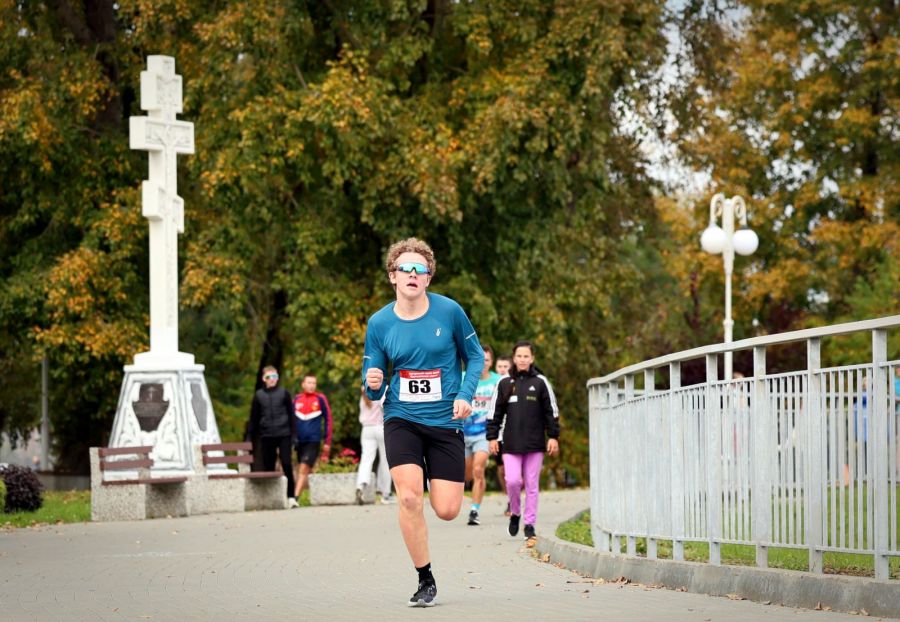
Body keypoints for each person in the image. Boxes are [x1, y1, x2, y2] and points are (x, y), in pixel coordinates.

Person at [362, 237, 485, 607]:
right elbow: (372, 381)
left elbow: (475, 357)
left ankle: (437, 480)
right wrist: (372, 381)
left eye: (421, 269)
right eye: (406, 268)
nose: (413, 274)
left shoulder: (449, 312)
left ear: (428, 278)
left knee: (447, 510)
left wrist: (465, 394)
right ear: (393, 276)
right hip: (402, 418)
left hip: (445, 420)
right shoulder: (379, 323)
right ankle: (425, 578)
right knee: (409, 497)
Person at [487, 341, 559, 540]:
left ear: (532, 358)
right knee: (512, 481)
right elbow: (494, 413)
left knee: (531, 484)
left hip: (535, 444)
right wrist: (492, 437)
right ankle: (515, 513)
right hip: (511, 443)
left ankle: (529, 524)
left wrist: (553, 436)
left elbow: (551, 412)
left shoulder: (541, 382)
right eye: (519, 356)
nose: (522, 359)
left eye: (526, 356)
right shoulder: (504, 383)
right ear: (514, 358)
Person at [248, 366, 298, 507]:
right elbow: (254, 418)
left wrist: (294, 435)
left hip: (284, 434)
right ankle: (272, 498)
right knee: (269, 466)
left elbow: (291, 415)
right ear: (264, 379)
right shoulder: (259, 395)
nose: (272, 379)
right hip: (267, 435)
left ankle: (291, 497)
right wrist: (249, 437)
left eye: (275, 376)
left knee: (286, 463)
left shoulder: (284, 393)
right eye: (269, 377)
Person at [462, 345, 501, 526]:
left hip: (484, 434)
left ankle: (474, 510)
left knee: (478, 469)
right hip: (462, 433)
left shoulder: (497, 381)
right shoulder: (463, 377)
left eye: (486, 360)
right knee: (466, 474)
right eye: (479, 360)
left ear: (491, 362)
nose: (483, 363)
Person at [293, 373, 333, 498]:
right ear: (303, 384)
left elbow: (328, 420)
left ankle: (294, 497)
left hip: (313, 441)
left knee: (303, 468)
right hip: (299, 441)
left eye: (314, 383)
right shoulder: (297, 399)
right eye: (309, 383)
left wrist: (327, 442)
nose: (311, 385)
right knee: (304, 470)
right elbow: (290, 421)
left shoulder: (320, 398)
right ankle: (314, 495)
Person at [356, 385, 395, 504]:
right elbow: (386, 408)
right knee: (385, 460)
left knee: (366, 459)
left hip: (366, 429)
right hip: (381, 427)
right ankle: (385, 493)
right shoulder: (384, 388)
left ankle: (360, 485)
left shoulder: (364, 389)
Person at [493, 354, 512, 515]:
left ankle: (513, 500)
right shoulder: (492, 384)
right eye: (500, 366)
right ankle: (509, 498)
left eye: (505, 366)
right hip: (496, 433)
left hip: (511, 432)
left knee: (510, 468)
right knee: (501, 470)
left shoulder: (513, 383)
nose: (502, 369)